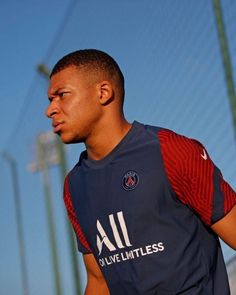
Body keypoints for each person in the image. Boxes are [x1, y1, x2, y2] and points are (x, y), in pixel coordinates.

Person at [46, 49, 236, 295]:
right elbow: (99, 281)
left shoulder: (170, 151)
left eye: (61, 95)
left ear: (103, 93)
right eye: (50, 100)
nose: (50, 110)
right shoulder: (74, 186)